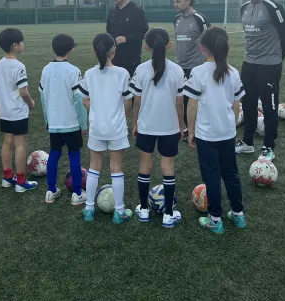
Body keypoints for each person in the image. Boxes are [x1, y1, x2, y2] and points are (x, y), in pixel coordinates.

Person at [184, 27, 246, 234]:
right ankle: (238, 215)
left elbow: (192, 105)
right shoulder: (233, 72)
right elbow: (236, 104)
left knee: (211, 176)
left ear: (202, 48)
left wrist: (190, 130)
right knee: (231, 174)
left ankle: (215, 219)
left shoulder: (198, 72)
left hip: (206, 135)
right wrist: (232, 125)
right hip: (227, 133)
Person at [130, 28, 185, 228]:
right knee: (167, 167)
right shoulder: (177, 70)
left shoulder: (141, 69)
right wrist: (181, 126)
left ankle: (144, 210)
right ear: (169, 44)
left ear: (146, 47)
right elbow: (180, 103)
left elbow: (137, 101)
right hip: (169, 127)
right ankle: (168, 215)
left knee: (145, 166)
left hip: (146, 126)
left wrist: (135, 123)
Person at [77, 33, 134, 224]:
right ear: (114, 51)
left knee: (94, 167)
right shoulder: (122, 73)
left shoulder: (89, 74)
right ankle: (119, 212)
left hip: (97, 128)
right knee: (116, 168)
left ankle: (89, 209)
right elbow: (128, 101)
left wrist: (96, 111)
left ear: (93, 51)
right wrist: (122, 117)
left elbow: (84, 100)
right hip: (116, 128)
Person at [235, 0, 285, 161]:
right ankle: (247, 142)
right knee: (248, 103)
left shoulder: (273, 7)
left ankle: (269, 146)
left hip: (269, 65)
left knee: (269, 106)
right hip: (249, 63)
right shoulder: (244, 8)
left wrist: (276, 58)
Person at [39, 34, 88, 206]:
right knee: (74, 155)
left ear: (53, 49)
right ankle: (77, 193)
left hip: (54, 123)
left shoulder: (46, 70)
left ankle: (51, 191)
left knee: (54, 153)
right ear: (71, 49)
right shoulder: (73, 71)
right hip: (72, 123)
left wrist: (47, 120)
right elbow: (79, 99)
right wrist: (83, 124)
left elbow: (42, 97)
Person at [0, 28, 38, 193]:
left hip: (5, 111)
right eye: (21, 42)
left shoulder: (0, 63)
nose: (23, 44)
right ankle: (21, 182)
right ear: (15, 45)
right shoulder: (19, 66)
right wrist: (31, 102)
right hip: (17, 111)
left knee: (7, 143)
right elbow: (23, 92)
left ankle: (7, 177)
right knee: (20, 144)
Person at [173, 0, 211, 140]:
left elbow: (210, 39)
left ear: (188, 1)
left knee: (197, 100)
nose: (175, 5)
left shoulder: (199, 19)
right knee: (182, 99)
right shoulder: (176, 19)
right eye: (174, 2)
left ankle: (198, 129)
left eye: (178, 1)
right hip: (180, 66)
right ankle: (187, 128)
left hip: (196, 66)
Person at [105, 0, 149, 77]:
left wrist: (127, 39)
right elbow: (108, 31)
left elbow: (144, 32)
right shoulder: (112, 13)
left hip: (131, 59)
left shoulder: (137, 12)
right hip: (114, 58)